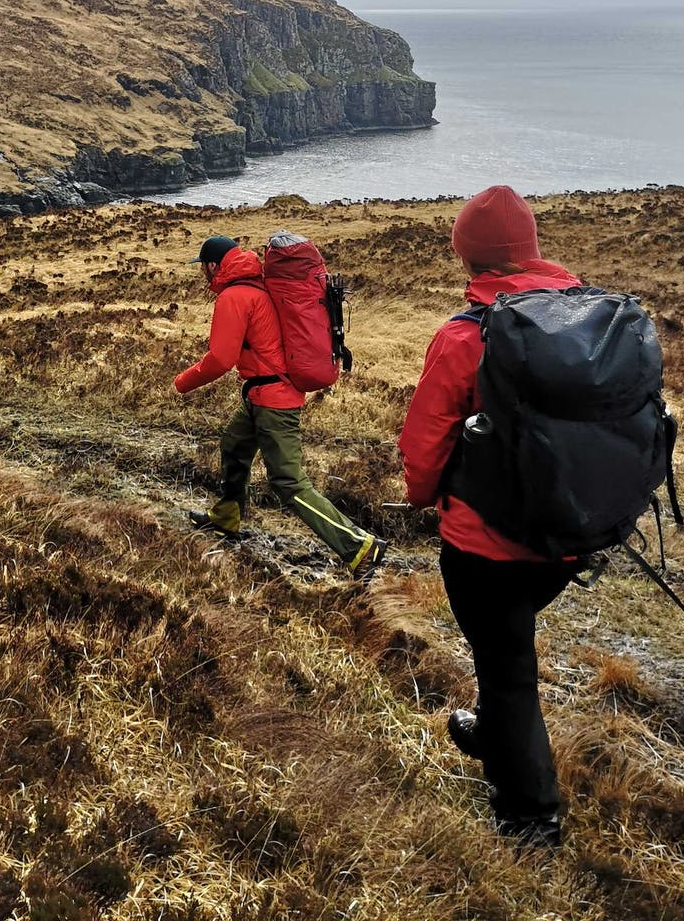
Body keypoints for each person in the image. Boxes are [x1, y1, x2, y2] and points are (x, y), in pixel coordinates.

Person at [396, 185, 582, 847]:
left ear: (467, 258)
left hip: (486, 545)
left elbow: (424, 446)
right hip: (571, 535)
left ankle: (530, 823)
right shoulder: (584, 321)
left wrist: (422, 498)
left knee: (509, 668)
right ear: (531, 247)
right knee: (505, 644)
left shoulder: (462, 337)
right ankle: (491, 727)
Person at [176, 235, 386, 578]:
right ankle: (226, 516)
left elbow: (220, 359)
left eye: (202, 266)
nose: (201, 273)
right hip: (261, 394)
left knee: (288, 482)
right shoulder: (256, 287)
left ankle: (359, 545)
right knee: (234, 443)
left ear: (213, 265)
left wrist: (182, 382)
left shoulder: (234, 296)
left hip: (274, 401)